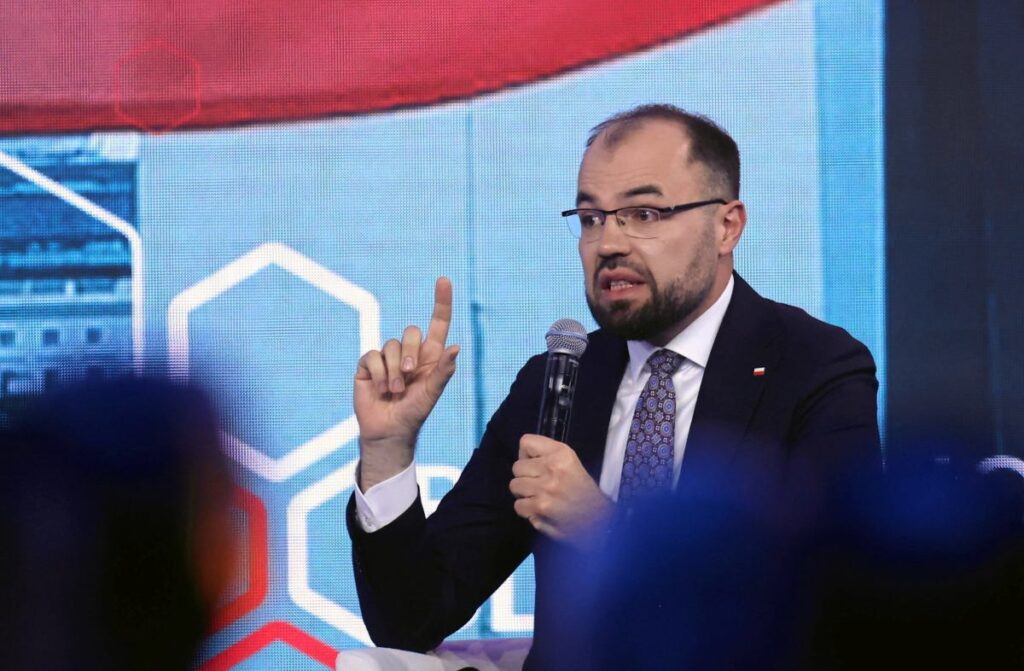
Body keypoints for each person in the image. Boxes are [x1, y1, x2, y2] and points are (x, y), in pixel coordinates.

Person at [346, 104, 881, 668]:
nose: (608, 244)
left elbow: (834, 607)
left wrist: (607, 531)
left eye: (643, 213)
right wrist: (387, 450)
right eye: (590, 218)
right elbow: (410, 619)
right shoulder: (557, 382)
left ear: (727, 226)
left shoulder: (815, 368)